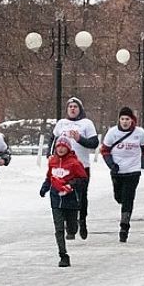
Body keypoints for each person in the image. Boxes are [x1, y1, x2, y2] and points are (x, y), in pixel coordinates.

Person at [100, 106, 144, 243]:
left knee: (128, 198)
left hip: (133, 171)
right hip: (117, 171)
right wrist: (111, 164)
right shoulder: (112, 132)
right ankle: (122, 204)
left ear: (132, 120)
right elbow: (104, 150)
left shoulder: (139, 133)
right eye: (122, 119)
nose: (124, 122)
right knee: (119, 197)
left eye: (127, 119)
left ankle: (124, 226)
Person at [52, 97, 99, 239]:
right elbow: (53, 140)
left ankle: (82, 220)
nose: (72, 109)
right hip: (64, 167)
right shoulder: (61, 123)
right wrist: (50, 155)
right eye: (70, 106)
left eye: (75, 106)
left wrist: (80, 139)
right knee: (65, 194)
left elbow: (94, 143)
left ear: (80, 109)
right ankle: (70, 226)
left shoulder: (86, 124)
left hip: (81, 166)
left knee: (81, 196)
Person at [40, 136, 87, 267]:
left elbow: (83, 179)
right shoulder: (52, 161)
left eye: (63, 147)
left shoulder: (74, 163)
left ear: (68, 148)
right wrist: (44, 187)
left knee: (71, 227)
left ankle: (72, 228)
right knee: (58, 228)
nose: (60, 149)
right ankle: (63, 255)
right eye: (58, 146)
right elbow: (50, 177)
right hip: (56, 200)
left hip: (70, 200)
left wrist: (70, 185)